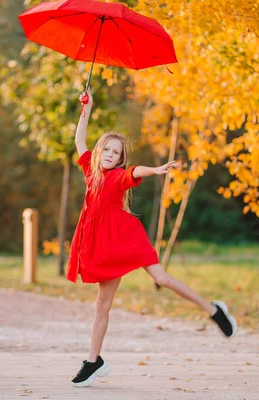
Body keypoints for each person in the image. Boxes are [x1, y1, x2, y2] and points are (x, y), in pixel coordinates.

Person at [68, 91, 237, 388]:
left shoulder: (119, 176)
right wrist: (87, 108)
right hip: (103, 244)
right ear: (99, 152)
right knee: (101, 305)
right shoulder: (89, 171)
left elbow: (135, 171)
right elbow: (79, 139)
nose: (110, 155)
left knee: (163, 278)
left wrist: (157, 170)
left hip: (124, 237)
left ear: (120, 159)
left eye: (116, 153)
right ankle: (94, 361)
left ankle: (214, 310)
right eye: (106, 150)